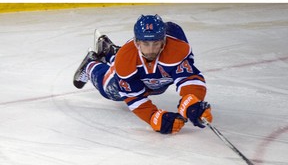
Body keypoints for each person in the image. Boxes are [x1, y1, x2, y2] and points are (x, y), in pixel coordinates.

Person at [73, 14, 213, 134]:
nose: (151, 50)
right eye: (146, 43)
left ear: (164, 41)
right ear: (136, 42)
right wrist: (152, 117)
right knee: (109, 91)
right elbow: (134, 97)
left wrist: (192, 100)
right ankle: (91, 64)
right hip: (128, 62)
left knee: (157, 88)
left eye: (156, 43)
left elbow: (189, 79)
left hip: (147, 72)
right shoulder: (126, 59)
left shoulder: (176, 49)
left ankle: (109, 51)